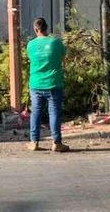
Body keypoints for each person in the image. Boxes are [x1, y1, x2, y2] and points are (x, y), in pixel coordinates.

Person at [26, 17, 69, 152]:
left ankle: (34, 142)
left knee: (36, 113)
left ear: (35, 29)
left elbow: (31, 59)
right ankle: (56, 142)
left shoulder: (31, 45)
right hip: (53, 83)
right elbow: (62, 59)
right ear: (46, 28)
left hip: (36, 83)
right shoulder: (56, 43)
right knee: (54, 112)